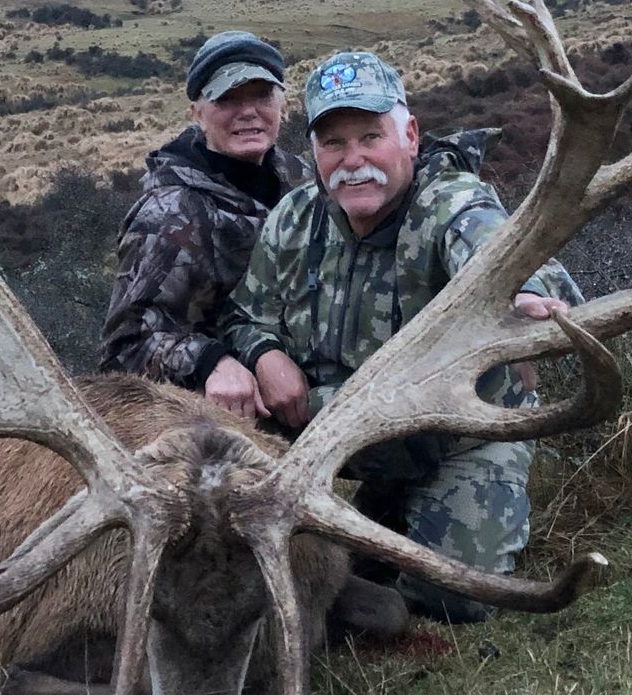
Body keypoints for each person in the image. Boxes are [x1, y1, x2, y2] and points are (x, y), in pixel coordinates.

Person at [221, 50, 585, 624]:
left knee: (457, 598)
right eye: (333, 144)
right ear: (314, 152)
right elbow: (245, 317)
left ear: (410, 135)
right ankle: (374, 517)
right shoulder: (293, 218)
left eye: (371, 136)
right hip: (330, 437)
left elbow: (496, 246)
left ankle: (386, 521)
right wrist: (262, 354)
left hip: (454, 437)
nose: (353, 160)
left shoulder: (450, 204)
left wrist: (519, 293)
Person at [99, 30, 302, 418]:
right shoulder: (169, 213)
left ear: (282, 105)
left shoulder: (302, 180)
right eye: (226, 99)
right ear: (197, 114)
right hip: (222, 416)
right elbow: (124, 350)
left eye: (261, 96)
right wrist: (211, 362)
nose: (247, 112)